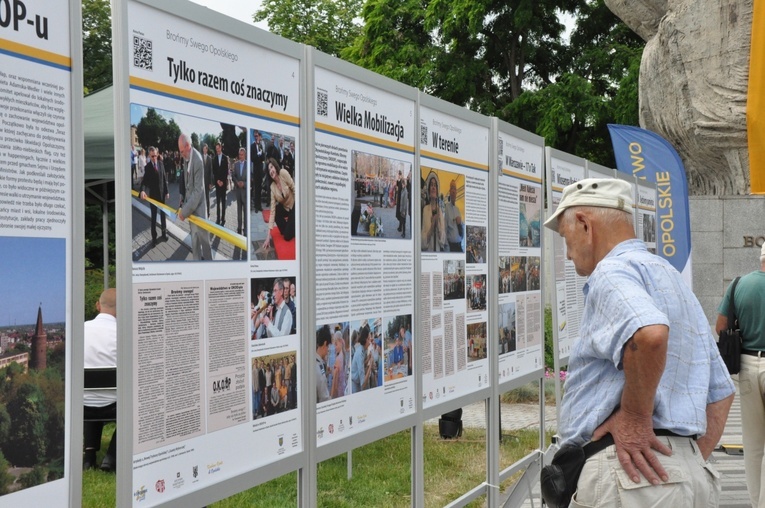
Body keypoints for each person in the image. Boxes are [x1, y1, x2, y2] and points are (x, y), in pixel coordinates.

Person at [543, 178, 734, 507]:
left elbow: (649, 335)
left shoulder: (612, 272)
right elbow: (722, 392)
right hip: (682, 475)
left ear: (585, 224)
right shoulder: (670, 278)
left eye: (565, 237)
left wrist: (634, 417)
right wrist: (684, 462)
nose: (568, 252)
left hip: (631, 478)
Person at [716, 243, 765, 508]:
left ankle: (756, 502)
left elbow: (721, 326)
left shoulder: (738, 284)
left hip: (746, 365)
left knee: (753, 440)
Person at [83, 288, 118, 472]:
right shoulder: (123, 334)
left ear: (98, 306)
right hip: (113, 405)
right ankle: (111, 457)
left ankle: (89, 458)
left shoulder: (79, 330)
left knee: (92, 393)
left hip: (82, 406)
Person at [178, 134, 213, 260]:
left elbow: (198, 191)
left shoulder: (198, 160)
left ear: (188, 146)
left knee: (205, 244)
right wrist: (182, 197)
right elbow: (186, 181)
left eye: (182, 151)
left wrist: (184, 211)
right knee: (194, 243)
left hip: (199, 211)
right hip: (191, 209)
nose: (181, 154)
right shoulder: (186, 156)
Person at [139, 147, 169, 247]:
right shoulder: (148, 167)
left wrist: (167, 191)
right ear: (149, 156)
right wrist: (142, 190)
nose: (154, 157)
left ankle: (164, 233)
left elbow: (164, 178)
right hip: (153, 197)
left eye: (156, 155)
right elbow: (144, 182)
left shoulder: (161, 163)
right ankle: (154, 238)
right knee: (154, 217)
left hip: (162, 196)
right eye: (152, 156)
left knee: (163, 216)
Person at [263, 158, 295, 249]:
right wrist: (268, 236)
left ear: (275, 166)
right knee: (276, 211)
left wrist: (298, 208)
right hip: (285, 207)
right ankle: (290, 226)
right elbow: (272, 211)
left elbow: (294, 188)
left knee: (287, 237)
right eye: (269, 170)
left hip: (294, 205)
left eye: (271, 167)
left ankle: (293, 225)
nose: (271, 171)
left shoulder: (283, 173)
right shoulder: (272, 187)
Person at [421, 174, 446, 252]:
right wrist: (432, 225)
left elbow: (443, 241)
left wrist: (437, 224)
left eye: (435, 185)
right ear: (428, 189)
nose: (433, 187)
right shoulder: (425, 209)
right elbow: (423, 242)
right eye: (431, 185)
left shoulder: (440, 211)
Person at [212, 141, 229, 226]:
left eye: (218, 149)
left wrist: (222, 181)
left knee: (223, 202)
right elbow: (214, 171)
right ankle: (218, 218)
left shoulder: (225, 158)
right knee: (218, 202)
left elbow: (226, 171)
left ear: (221, 148)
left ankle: (223, 218)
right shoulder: (214, 158)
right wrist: (217, 181)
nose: (217, 150)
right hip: (218, 184)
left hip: (223, 184)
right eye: (216, 149)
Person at [232, 147, 248, 235]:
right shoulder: (236, 164)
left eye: (242, 155)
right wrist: (237, 182)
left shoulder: (248, 164)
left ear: (245, 155)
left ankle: (245, 230)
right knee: (239, 211)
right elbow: (233, 176)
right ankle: (239, 228)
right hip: (238, 192)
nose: (240, 156)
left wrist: (244, 184)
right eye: (239, 155)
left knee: (245, 212)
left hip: (245, 192)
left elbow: (251, 178)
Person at [444, 179, 464, 252]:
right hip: (451, 247)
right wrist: (447, 248)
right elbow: (445, 230)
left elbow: (462, 233)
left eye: (454, 188)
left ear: (456, 192)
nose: (453, 190)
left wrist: (460, 225)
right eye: (451, 188)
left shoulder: (458, 210)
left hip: (459, 246)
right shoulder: (447, 208)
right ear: (449, 191)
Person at [316, 325, 331, 403]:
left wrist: (326, 374)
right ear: (325, 344)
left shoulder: (318, 361)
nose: (328, 350)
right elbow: (324, 399)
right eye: (328, 346)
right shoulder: (318, 367)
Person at [251, 131, 265, 212]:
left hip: (260, 169)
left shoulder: (260, 146)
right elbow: (252, 158)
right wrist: (257, 154)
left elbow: (263, 158)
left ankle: (259, 205)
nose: (256, 137)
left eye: (257, 136)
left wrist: (261, 153)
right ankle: (256, 206)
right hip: (255, 169)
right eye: (255, 136)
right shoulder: (252, 146)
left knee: (260, 188)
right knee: (256, 188)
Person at [202, 144, 213, 216]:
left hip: (207, 182)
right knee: (201, 198)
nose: (204, 150)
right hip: (201, 182)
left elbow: (211, 171)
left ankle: (208, 212)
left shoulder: (209, 158)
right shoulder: (200, 157)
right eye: (203, 149)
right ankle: (202, 211)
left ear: (207, 149)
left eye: (206, 149)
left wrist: (211, 183)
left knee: (207, 198)